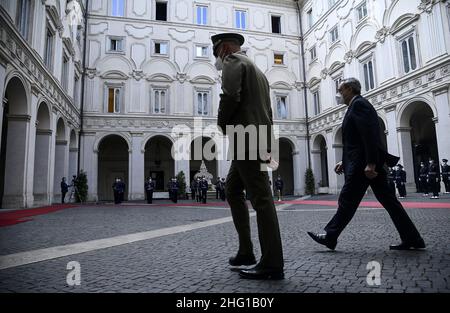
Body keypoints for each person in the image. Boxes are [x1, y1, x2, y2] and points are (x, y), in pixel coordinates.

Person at [307, 78, 425, 251]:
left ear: (349, 89)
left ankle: (331, 236)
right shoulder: (355, 106)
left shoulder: (359, 105)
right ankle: (413, 238)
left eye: (340, 90)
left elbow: (369, 136)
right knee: (389, 201)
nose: (339, 95)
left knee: (347, 199)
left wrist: (370, 163)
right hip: (363, 163)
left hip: (364, 166)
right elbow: (355, 140)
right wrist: (344, 161)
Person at [211, 32, 284, 280]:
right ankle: (246, 251)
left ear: (226, 48)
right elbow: (268, 110)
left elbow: (230, 95)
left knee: (261, 199)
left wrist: (221, 123)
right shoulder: (258, 70)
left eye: (217, 53)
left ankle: (272, 263)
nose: (218, 59)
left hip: (247, 139)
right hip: (259, 137)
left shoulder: (234, 61)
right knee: (232, 189)